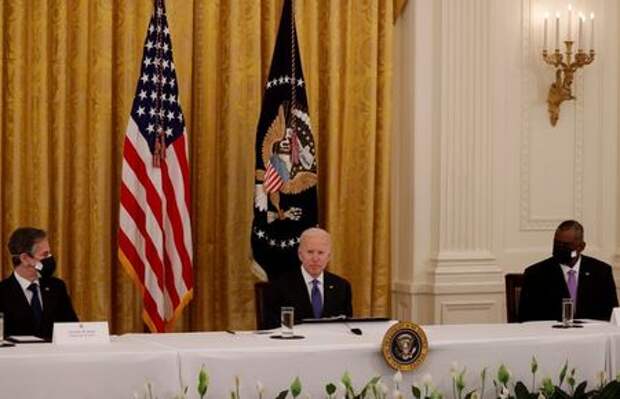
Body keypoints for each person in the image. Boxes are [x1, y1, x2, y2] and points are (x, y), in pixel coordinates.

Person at [518, 220, 618, 322]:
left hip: (591, 334)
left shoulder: (601, 272)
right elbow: (526, 318)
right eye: (557, 244)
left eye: (566, 245)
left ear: (581, 247)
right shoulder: (535, 274)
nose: (560, 249)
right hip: (551, 334)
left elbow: (611, 314)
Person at [265, 227, 352, 329]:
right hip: (295, 343)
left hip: (330, 343)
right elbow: (272, 328)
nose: (315, 258)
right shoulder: (279, 287)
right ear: (300, 255)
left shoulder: (342, 287)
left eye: (321, 253)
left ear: (328, 257)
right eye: (310, 252)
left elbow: (346, 326)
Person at [0, 227, 78, 339]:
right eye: (45, 255)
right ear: (25, 259)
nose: (50, 259)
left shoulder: (57, 287)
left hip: (55, 355)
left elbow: (72, 329)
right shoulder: (2, 292)